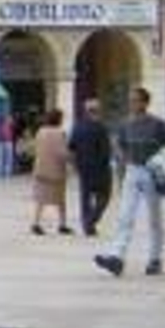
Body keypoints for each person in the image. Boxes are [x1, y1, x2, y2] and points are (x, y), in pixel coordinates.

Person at [94, 87, 165, 277]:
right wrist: (121, 171)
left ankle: (155, 258)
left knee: (154, 217)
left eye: (137, 100)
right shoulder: (125, 124)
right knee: (125, 215)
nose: (133, 104)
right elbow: (119, 146)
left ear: (146, 102)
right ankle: (117, 256)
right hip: (132, 169)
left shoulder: (158, 124)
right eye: (131, 100)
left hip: (152, 170)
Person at [67, 98, 113, 237]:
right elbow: (106, 151)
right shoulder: (101, 127)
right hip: (100, 169)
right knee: (104, 196)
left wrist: (74, 165)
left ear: (86, 111)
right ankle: (91, 221)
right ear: (97, 111)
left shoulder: (77, 126)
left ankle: (87, 224)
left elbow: (71, 147)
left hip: (83, 168)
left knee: (85, 198)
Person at [29, 108, 72, 235]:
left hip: (41, 169)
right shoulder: (60, 133)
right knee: (60, 199)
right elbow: (62, 153)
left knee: (40, 198)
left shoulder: (40, 131)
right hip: (56, 171)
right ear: (59, 119)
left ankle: (36, 223)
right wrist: (71, 158)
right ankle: (62, 224)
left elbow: (34, 148)